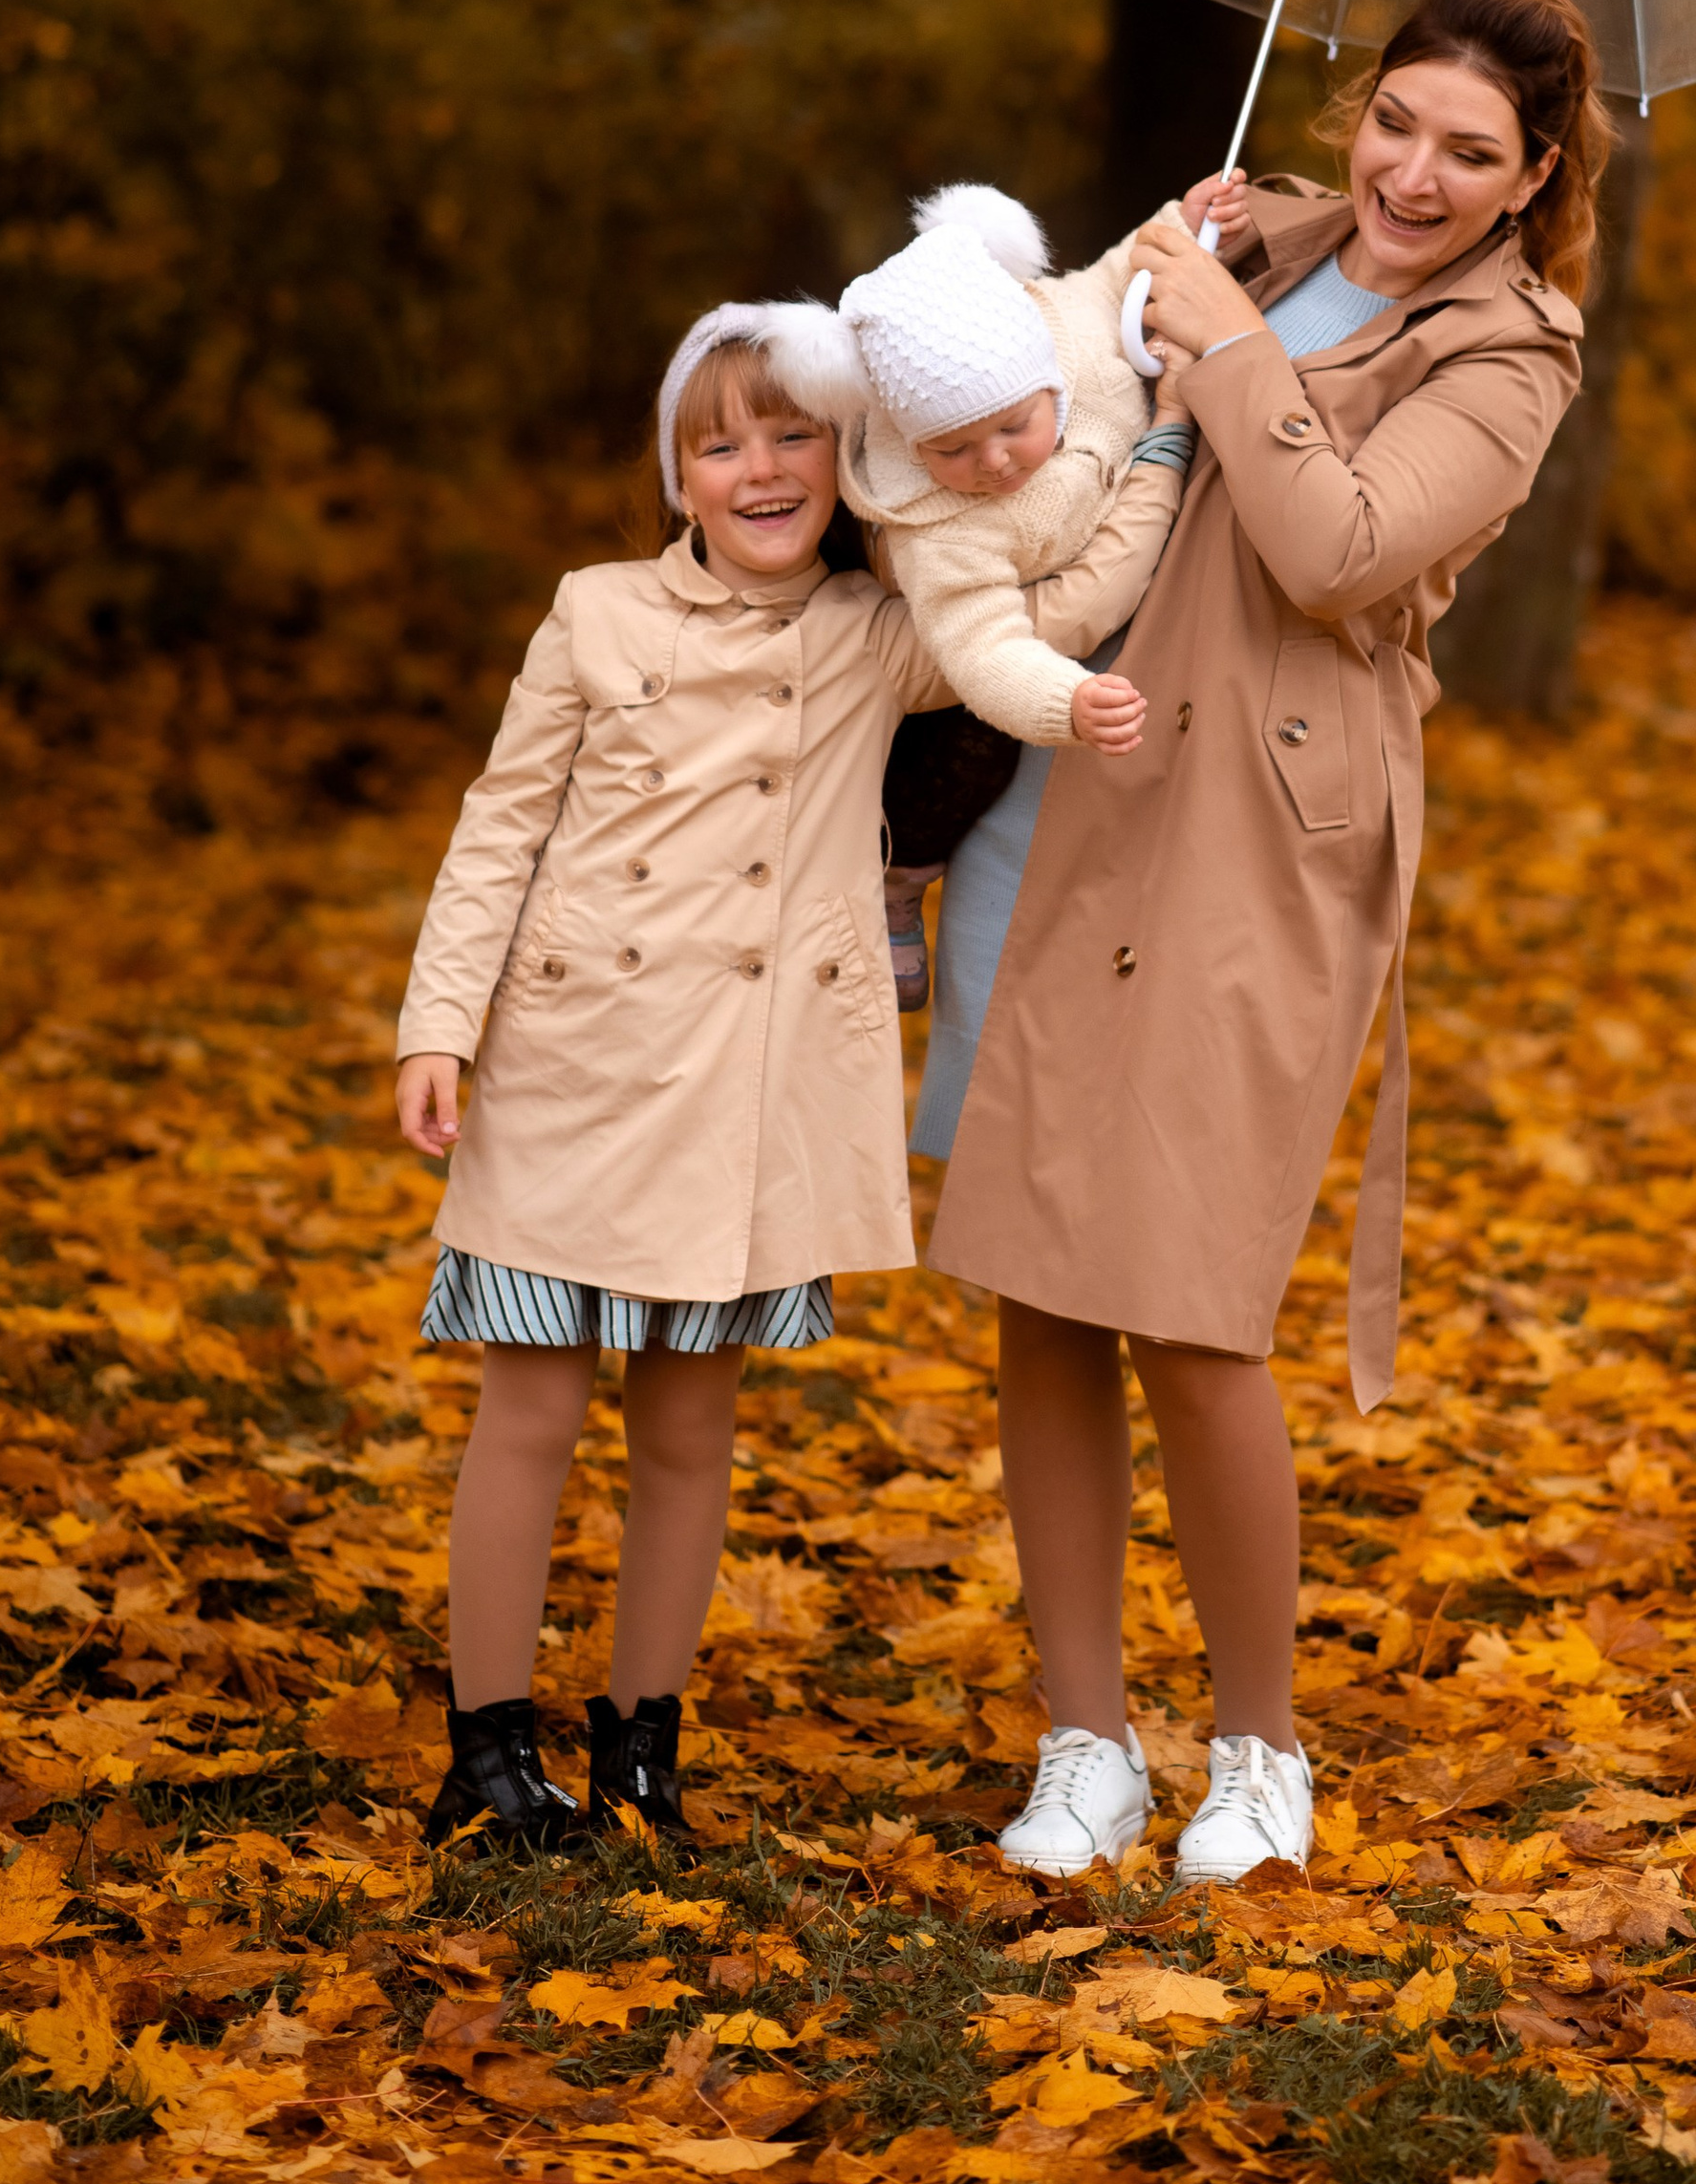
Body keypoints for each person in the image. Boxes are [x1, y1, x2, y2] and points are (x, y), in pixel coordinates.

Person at [923, 0, 1604, 1887]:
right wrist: (1128, 289)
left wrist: (1224, 341)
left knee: (1189, 1295)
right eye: (1395, 119)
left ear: (1525, 178)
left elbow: (1341, 549)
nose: (1409, 170)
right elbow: (1034, 426)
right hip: (1068, 777)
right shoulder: (1254, 228)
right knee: (1039, 1270)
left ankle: (1256, 1749)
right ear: (1357, 110)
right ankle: (1082, 1738)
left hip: (1251, 832)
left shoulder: (1509, 354)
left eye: (1467, 151)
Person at [390, 304, 1167, 1854]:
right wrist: (438, 1021)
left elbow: (1067, 592)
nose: (758, 466)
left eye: (791, 433)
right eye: (718, 440)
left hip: (749, 1097)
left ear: (850, 459)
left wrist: (1153, 435)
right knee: (530, 1408)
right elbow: (501, 824)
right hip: (571, 1071)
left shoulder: (877, 633)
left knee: (689, 1427)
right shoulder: (596, 614)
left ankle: (639, 1750)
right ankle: (488, 1753)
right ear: (679, 472)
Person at [764, 181, 1224, 1002]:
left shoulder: (1073, 329)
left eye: (1014, 425)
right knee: (963, 745)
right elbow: (983, 646)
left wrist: (1185, 221)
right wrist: (1063, 701)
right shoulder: (938, 526)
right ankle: (900, 871)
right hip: (985, 646)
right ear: (914, 442)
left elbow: (1122, 270)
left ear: (1047, 374)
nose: (996, 462)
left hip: (1107, 511)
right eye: (955, 448)